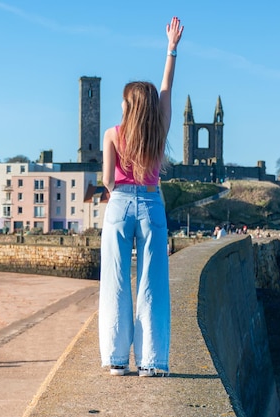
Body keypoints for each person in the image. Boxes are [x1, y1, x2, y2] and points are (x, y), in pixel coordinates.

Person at [99, 16, 184, 377]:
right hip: (151, 203)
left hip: (119, 203)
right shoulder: (159, 130)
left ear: (129, 105)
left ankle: (117, 360)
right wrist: (171, 48)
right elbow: (166, 87)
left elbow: (106, 180)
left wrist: (118, 183)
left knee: (116, 282)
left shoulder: (113, 134)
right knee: (152, 282)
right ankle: (152, 362)